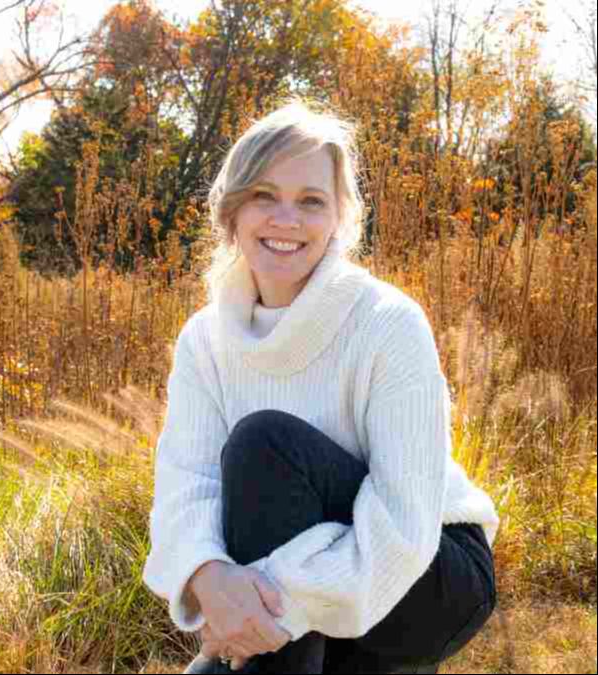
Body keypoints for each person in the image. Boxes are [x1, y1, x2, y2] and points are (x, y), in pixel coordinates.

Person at [142, 97, 500, 674]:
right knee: (259, 453)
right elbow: (187, 483)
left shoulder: (386, 322)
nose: (286, 219)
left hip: (430, 569)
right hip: (310, 581)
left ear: (339, 218)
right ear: (231, 211)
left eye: (311, 201)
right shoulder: (204, 339)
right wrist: (208, 578)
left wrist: (250, 612)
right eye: (264, 196)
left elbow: (403, 525)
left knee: (265, 443)